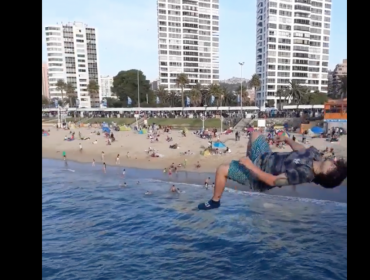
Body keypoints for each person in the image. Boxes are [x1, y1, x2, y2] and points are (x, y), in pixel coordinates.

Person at [198, 131, 347, 210]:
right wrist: (287, 140)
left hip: (257, 176)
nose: (334, 161)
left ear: (327, 173)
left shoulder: (303, 174)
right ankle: (247, 160)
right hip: (264, 156)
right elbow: (301, 150)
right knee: (255, 134)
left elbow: (272, 180)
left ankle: (215, 201)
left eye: (334, 166)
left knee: (221, 169)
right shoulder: (317, 156)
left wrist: (250, 166)